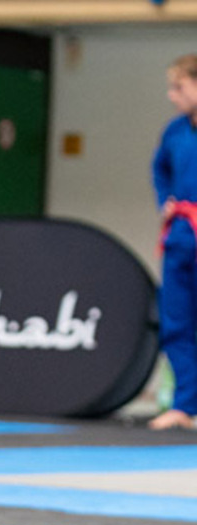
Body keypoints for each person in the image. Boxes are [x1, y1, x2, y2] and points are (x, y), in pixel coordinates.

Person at [151, 54, 197, 430]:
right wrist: (165, 199)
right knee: (177, 321)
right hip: (182, 233)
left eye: (179, 87)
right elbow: (160, 167)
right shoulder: (175, 131)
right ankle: (185, 405)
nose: (172, 95)